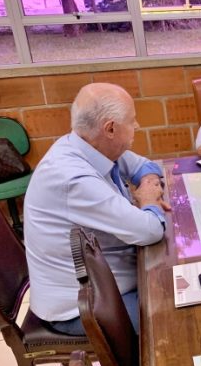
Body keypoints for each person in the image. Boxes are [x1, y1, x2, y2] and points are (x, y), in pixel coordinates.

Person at [24, 83, 170, 336]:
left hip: (111, 279)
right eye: (132, 120)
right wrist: (149, 202)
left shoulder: (90, 146)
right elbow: (150, 231)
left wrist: (149, 184)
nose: (137, 126)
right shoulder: (72, 178)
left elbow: (146, 166)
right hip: (83, 306)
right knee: (175, 316)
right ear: (110, 128)